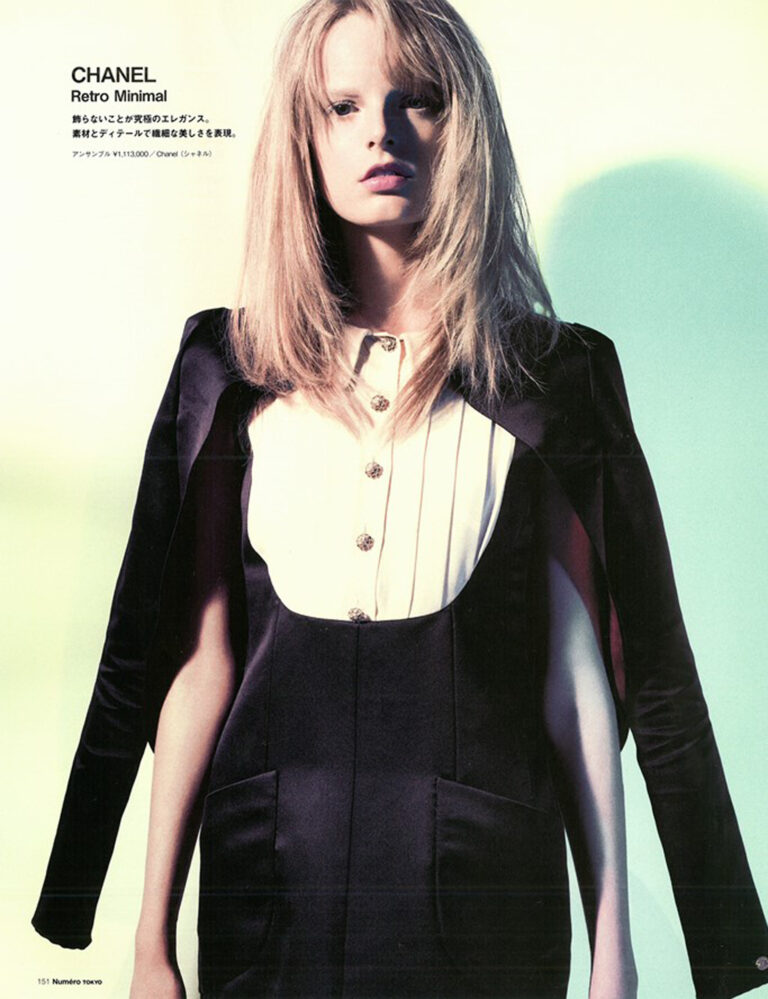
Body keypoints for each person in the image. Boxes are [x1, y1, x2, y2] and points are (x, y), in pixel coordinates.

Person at [32, 1, 768, 997]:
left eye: (416, 99)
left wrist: (614, 952)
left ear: (464, 128)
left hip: (484, 906)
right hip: (265, 898)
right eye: (342, 106)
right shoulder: (230, 370)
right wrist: (147, 943)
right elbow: (194, 664)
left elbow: (582, 680)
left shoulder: (553, 379)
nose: (380, 130)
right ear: (304, 136)